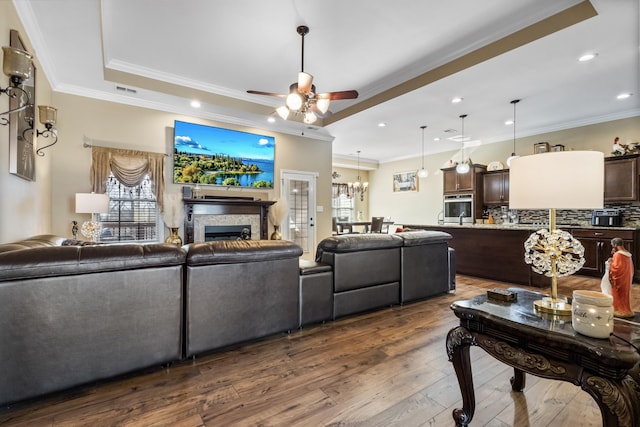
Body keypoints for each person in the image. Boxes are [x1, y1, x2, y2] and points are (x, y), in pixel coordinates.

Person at [609, 237, 635, 318]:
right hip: (626, 277)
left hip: (619, 278)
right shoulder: (627, 254)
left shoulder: (618, 254)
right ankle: (626, 309)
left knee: (619, 294)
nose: (612, 246)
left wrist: (610, 263)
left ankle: (620, 309)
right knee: (625, 294)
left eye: (612, 245)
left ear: (616, 244)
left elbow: (616, 267)